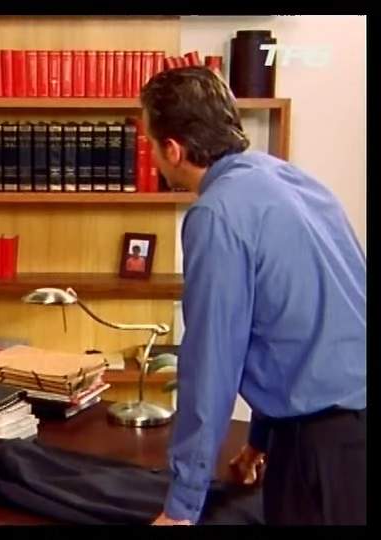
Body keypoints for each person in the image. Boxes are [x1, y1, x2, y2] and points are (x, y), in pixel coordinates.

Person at [139, 67, 366, 526]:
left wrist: (182, 505)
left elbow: (212, 361)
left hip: (322, 451)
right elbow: (290, 325)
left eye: (151, 144)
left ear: (173, 150)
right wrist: (260, 439)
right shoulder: (291, 179)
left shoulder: (215, 215)